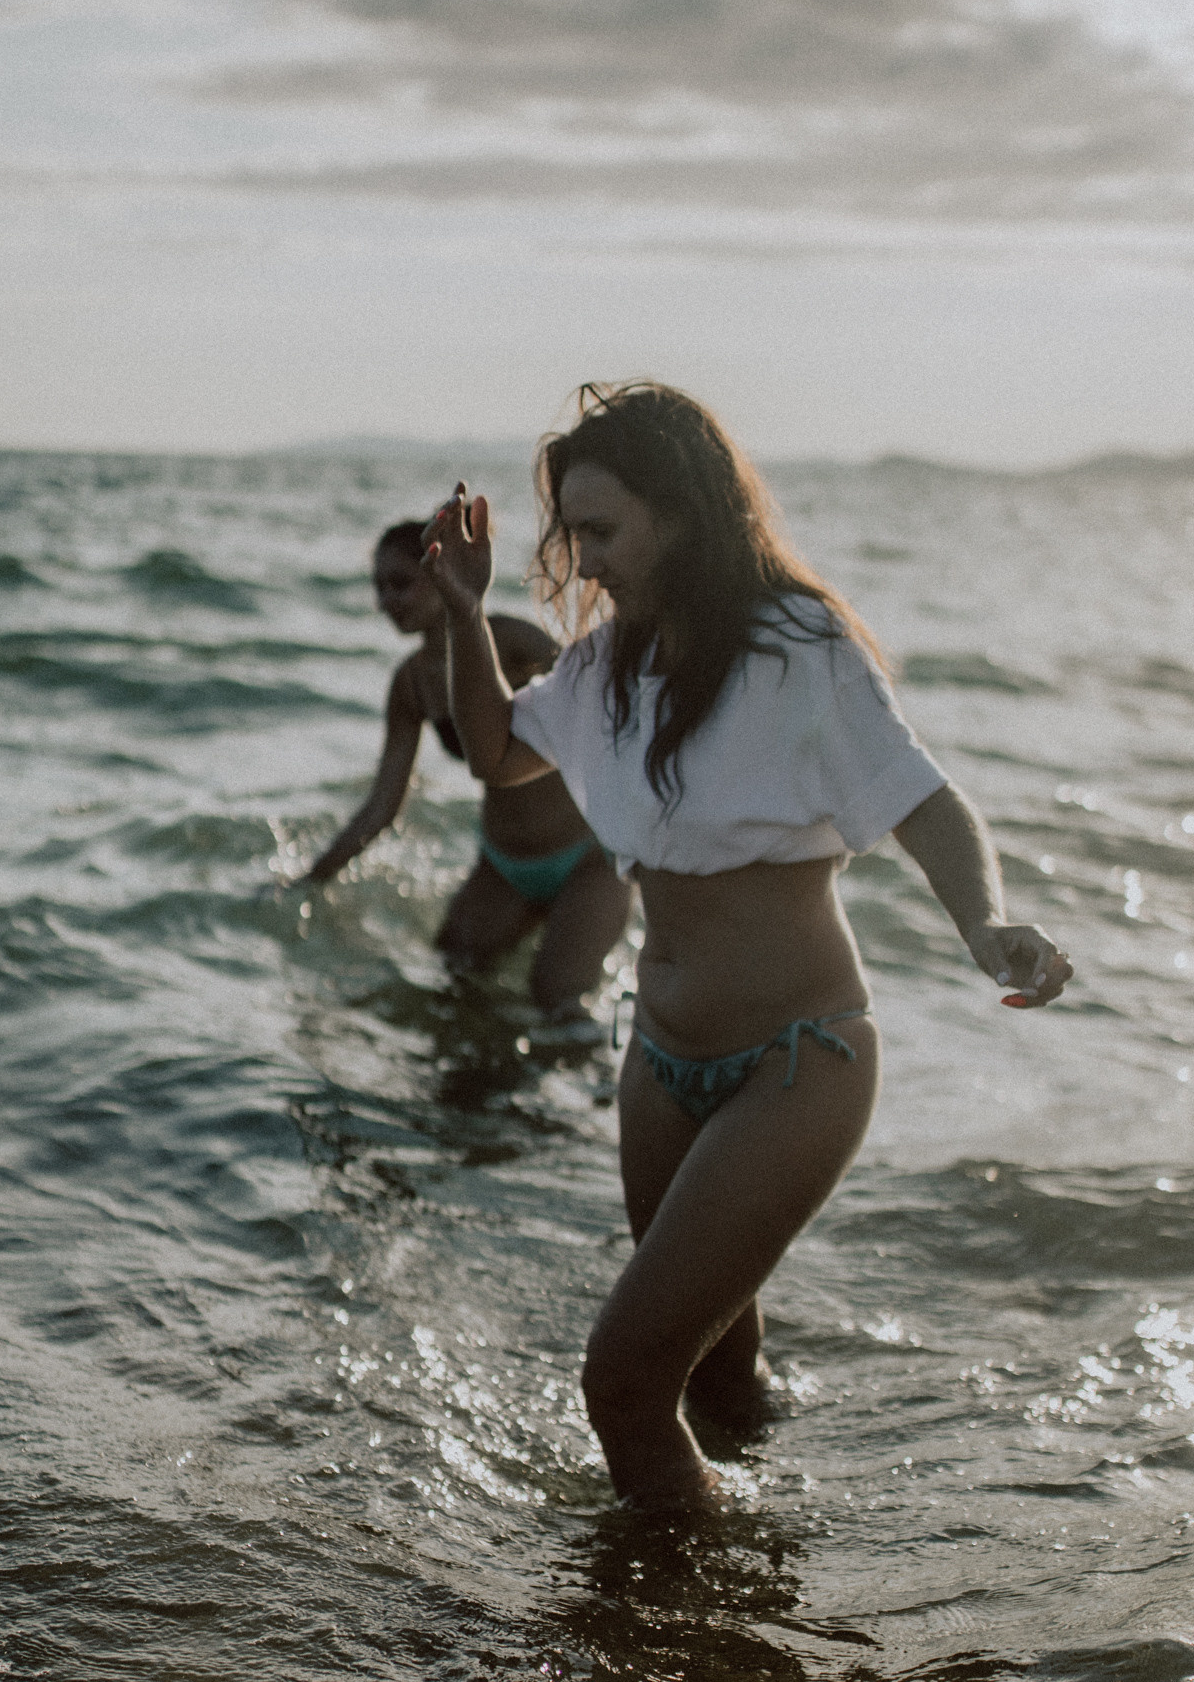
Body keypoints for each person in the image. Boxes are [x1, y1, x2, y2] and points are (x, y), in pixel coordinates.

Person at [422, 383, 1073, 1514]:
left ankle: (684, 1611)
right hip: (660, 1066)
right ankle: (768, 1566)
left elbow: (920, 800)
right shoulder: (607, 668)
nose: (582, 561)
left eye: (603, 531)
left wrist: (984, 923)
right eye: (568, 534)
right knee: (714, 1366)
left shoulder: (795, 649)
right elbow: (492, 750)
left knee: (623, 1380)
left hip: (795, 1063)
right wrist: (462, 612)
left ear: (681, 513)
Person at [298, 519, 632, 1018]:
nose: (387, 601)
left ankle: (593, 1095)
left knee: (557, 1004)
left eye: (400, 583)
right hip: (505, 866)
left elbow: (604, 704)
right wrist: (310, 880)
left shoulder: (510, 640)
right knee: (453, 984)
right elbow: (382, 805)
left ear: (439, 575)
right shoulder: (410, 685)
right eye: (379, 587)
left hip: (588, 858)